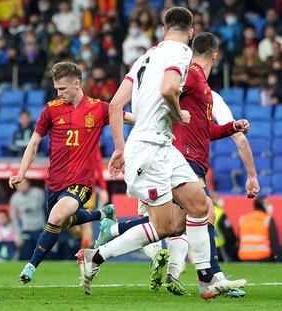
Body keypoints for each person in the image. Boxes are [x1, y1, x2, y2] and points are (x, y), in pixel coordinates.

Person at [76, 8, 243, 300]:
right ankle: (95, 257)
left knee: (199, 205)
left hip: (161, 147)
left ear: (163, 30)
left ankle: (207, 280)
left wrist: (119, 147)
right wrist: (180, 113)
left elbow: (114, 105)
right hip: (150, 150)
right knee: (166, 226)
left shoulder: (145, 57)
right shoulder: (182, 54)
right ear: (191, 33)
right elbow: (169, 89)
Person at [8, 61, 134, 284]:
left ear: (77, 84)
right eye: (56, 89)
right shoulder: (51, 109)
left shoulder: (97, 108)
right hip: (55, 182)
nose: (59, 93)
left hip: (81, 183)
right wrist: (21, 173)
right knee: (62, 223)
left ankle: (31, 266)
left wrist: (157, 121)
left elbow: (126, 117)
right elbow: (34, 143)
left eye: (63, 89)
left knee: (56, 217)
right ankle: (102, 214)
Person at [10, 178, 46, 260]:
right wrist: (18, 235)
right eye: (19, 185)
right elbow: (14, 218)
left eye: (24, 184)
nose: (22, 186)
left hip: (40, 229)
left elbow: (46, 212)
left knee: (44, 255)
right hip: (26, 229)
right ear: (16, 187)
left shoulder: (38, 193)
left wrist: (48, 231)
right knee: (27, 256)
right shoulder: (15, 198)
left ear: (28, 184)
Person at [238, 196, 280, 262]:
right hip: (263, 256)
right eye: (268, 203)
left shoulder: (243, 219)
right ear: (263, 205)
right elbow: (274, 241)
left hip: (245, 256)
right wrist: (277, 257)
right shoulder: (267, 219)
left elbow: (239, 240)